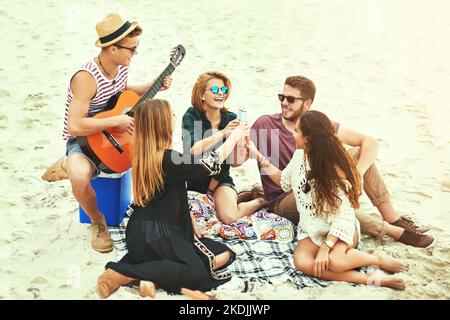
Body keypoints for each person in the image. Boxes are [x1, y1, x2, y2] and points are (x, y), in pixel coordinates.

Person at [250, 75, 434, 248]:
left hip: (318, 185)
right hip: (284, 199)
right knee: (325, 199)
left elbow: (369, 143)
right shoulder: (265, 125)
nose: (283, 103)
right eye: (282, 97)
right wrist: (241, 144)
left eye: (290, 99)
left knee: (358, 153)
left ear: (307, 103)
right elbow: (239, 160)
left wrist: (358, 174)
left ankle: (392, 218)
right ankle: (391, 230)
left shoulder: (317, 125)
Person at [97, 99, 247, 299]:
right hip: (160, 235)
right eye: (172, 115)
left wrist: (190, 218)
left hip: (140, 236)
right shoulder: (167, 159)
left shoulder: (145, 154)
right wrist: (233, 138)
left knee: (224, 254)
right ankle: (121, 274)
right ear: (163, 124)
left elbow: (169, 193)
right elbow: (208, 165)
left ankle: (150, 279)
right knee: (197, 272)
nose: (175, 117)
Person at [249, 110, 408, 289]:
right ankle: (371, 278)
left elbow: (344, 216)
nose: (293, 134)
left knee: (335, 261)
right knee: (303, 263)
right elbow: (284, 182)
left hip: (339, 227)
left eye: (297, 131)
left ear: (308, 138)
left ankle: (376, 259)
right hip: (311, 228)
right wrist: (259, 157)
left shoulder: (334, 171)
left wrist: (326, 246)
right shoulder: (299, 155)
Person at [62, 13, 172, 253]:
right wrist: (116, 121)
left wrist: (151, 85)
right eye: (131, 49)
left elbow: (120, 93)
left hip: (114, 137)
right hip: (83, 141)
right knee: (79, 176)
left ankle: (152, 212)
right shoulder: (85, 78)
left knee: (158, 156)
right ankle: (97, 221)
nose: (135, 53)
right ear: (112, 49)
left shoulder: (120, 68)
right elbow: (74, 125)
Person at [181, 71, 265, 225]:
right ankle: (240, 196)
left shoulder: (231, 118)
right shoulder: (191, 116)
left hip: (220, 180)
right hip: (194, 181)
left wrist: (243, 142)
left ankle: (260, 201)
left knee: (229, 217)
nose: (221, 93)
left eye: (224, 90)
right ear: (201, 95)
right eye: (214, 90)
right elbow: (192, 150)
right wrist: (223, 133)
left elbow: (235, 163)